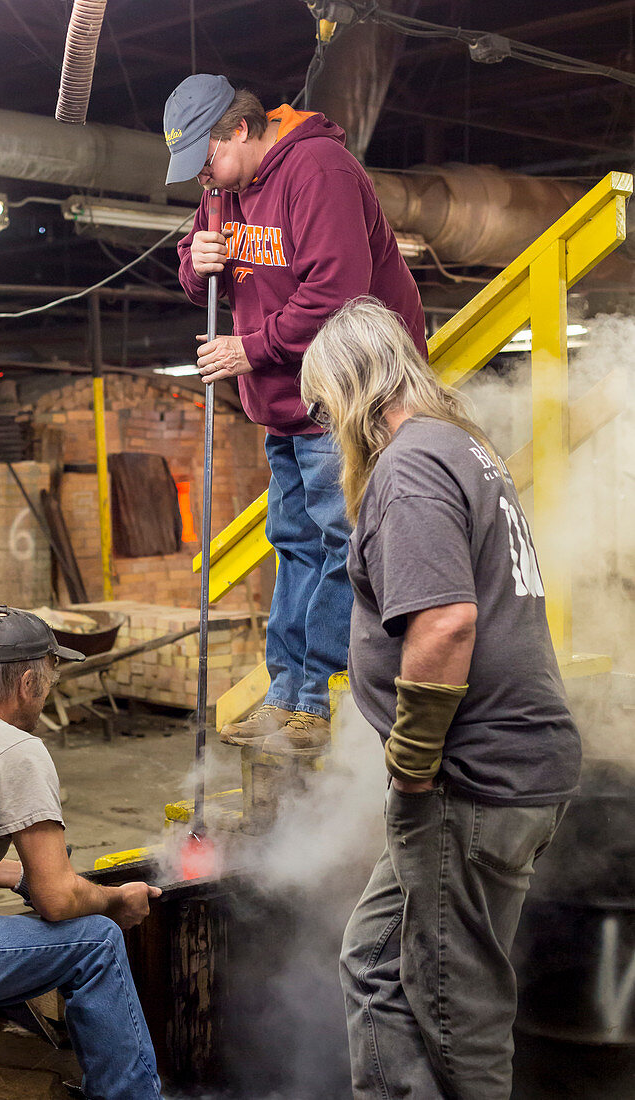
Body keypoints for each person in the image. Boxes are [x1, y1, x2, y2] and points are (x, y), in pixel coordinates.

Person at [300, 299, 581, 1099]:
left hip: (468, 781)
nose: (326, 429)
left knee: (458, 1013)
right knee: (374, 961)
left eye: (325, 407)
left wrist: (412, 768)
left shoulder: (412, 464)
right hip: (500, 767)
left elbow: (447, 621)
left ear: (355, 391)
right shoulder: (465, 448)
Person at [163, 74, 426, 756]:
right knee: (295, 544)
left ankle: (325, 696)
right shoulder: (223, 190)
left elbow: (339, 292)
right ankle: (289, 695)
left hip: (348, 393)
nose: (201, 179)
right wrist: (198, 261)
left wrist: (250, 349)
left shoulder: (318, 169)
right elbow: (195, 276)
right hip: (286, 400)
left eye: (205, 158)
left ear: (240, 131)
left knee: (343, 544)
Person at [0, 605, 163, 1100]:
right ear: (27, 684)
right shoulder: (14, 749)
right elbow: (58, 901)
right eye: (49, 681)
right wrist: (113, 899)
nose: (47, 694)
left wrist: (22, 876)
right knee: (97, 941)